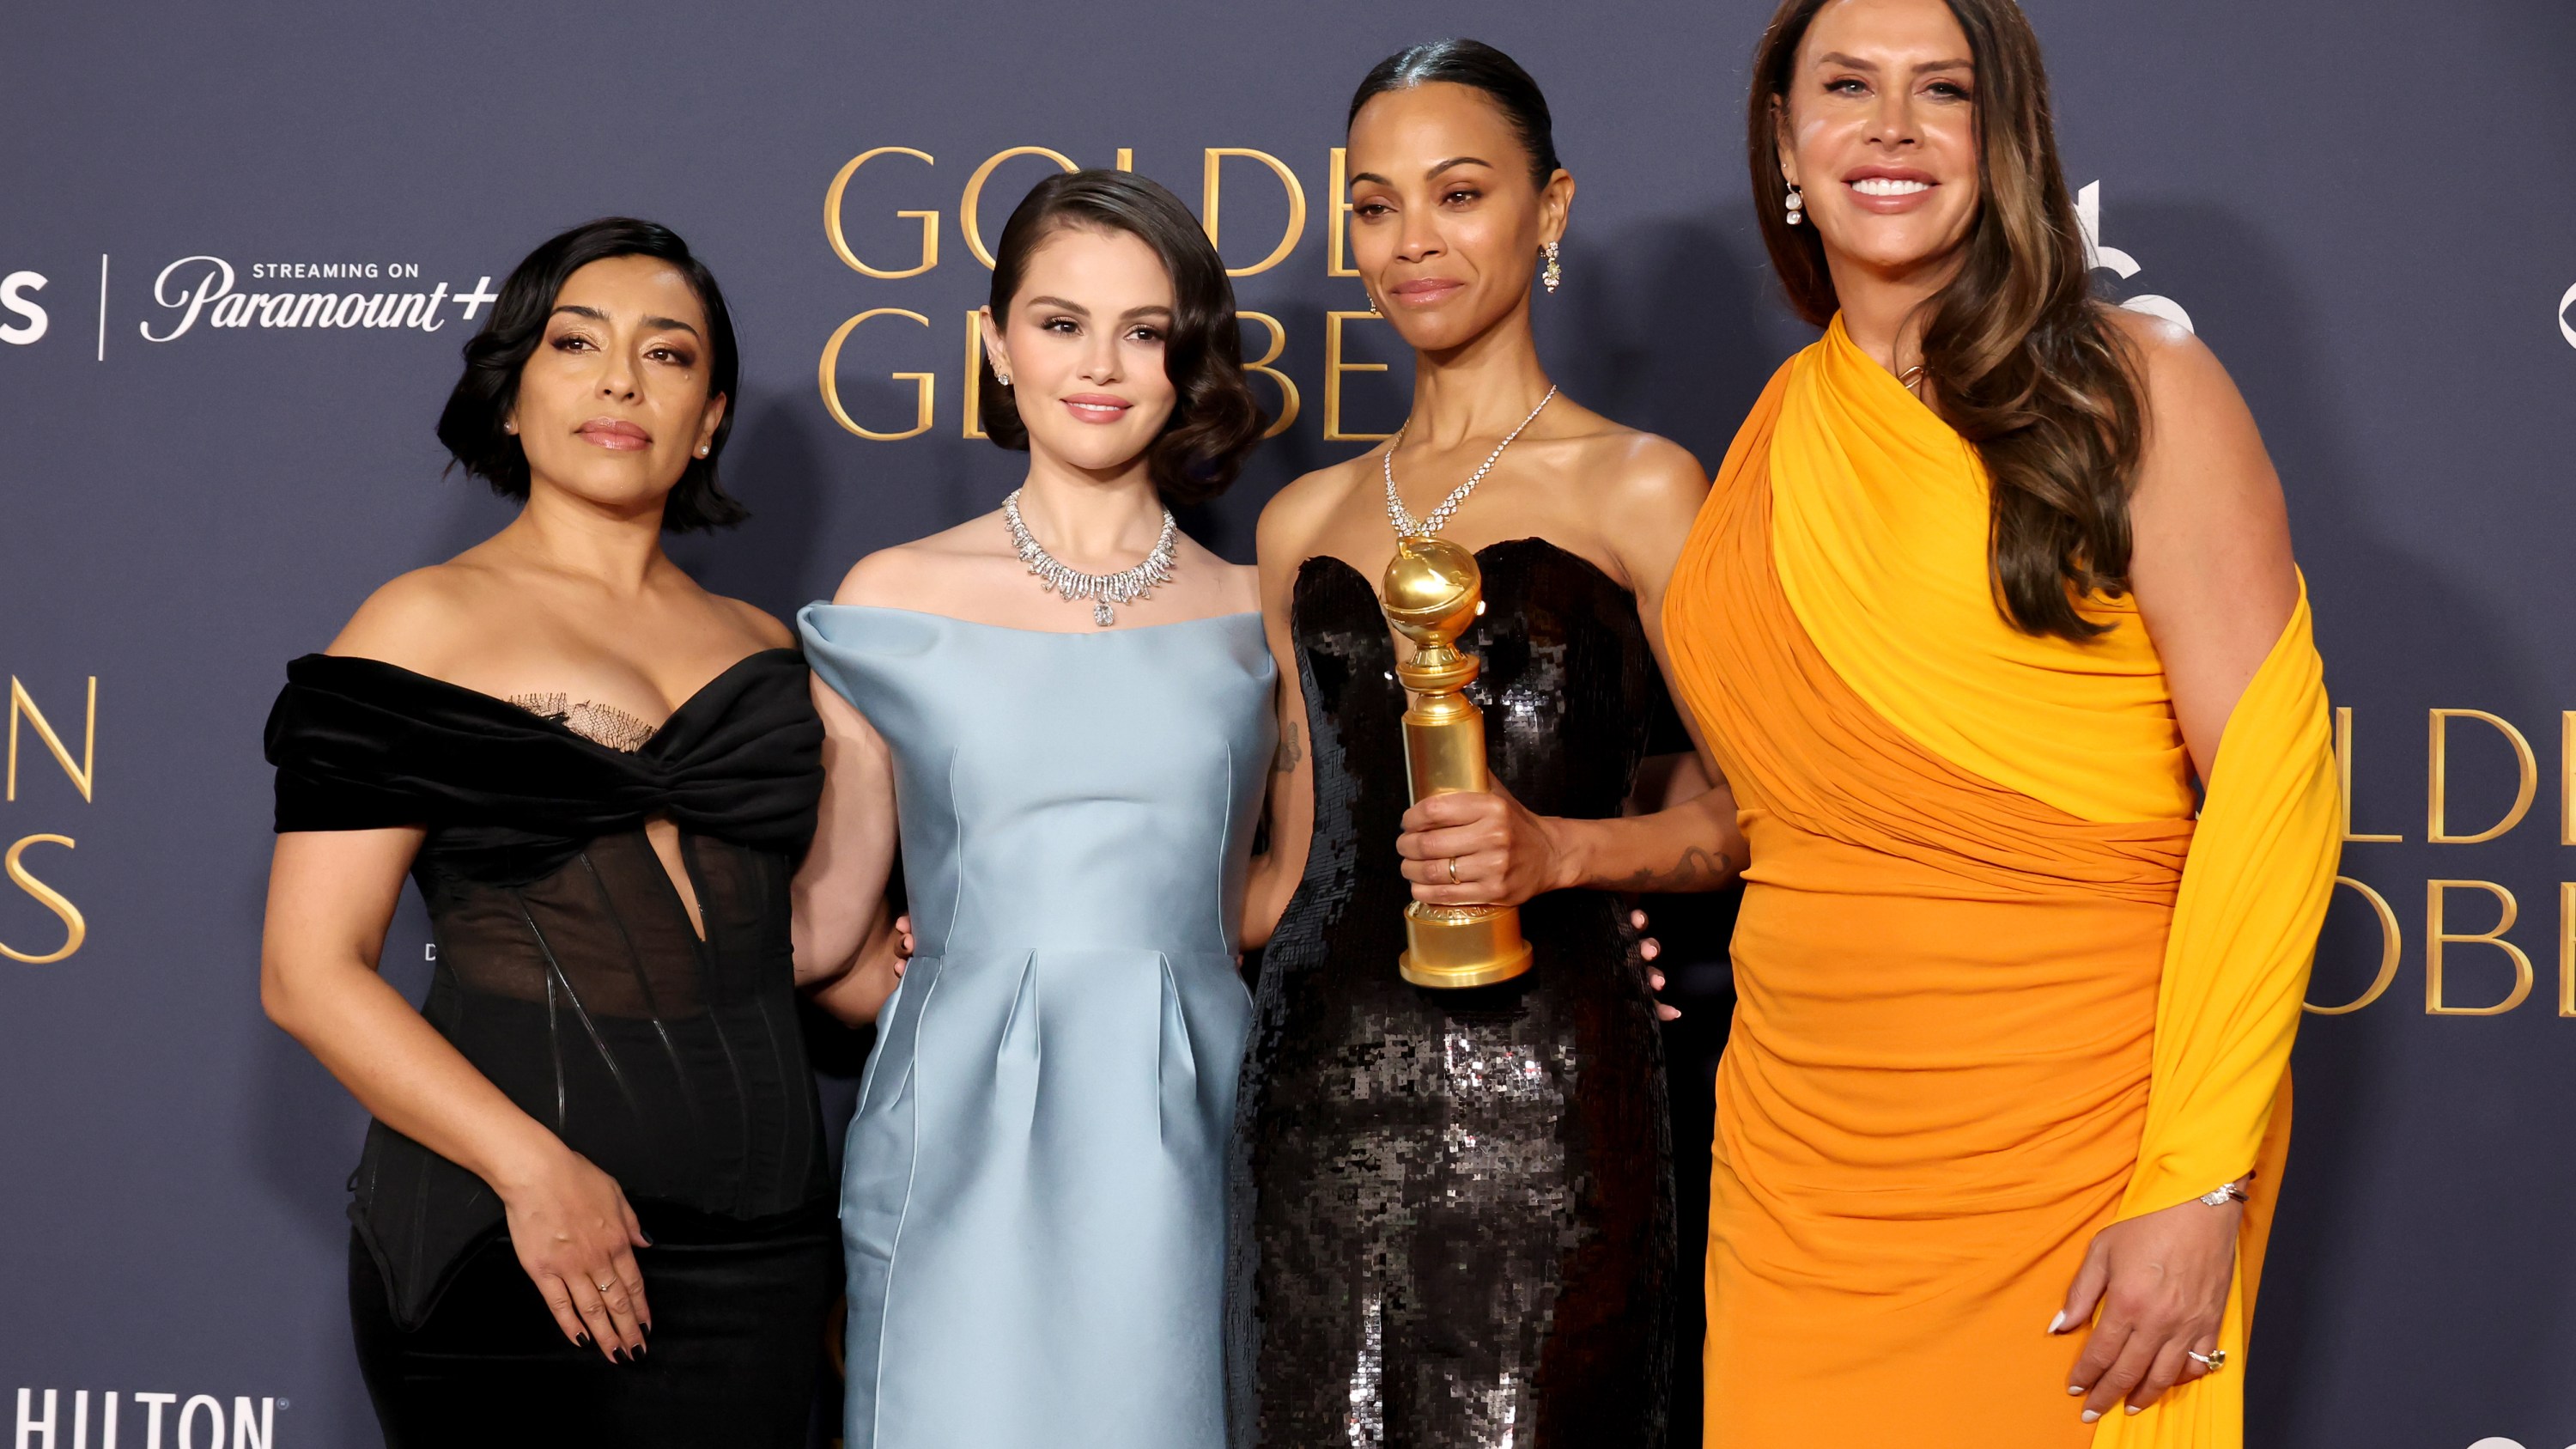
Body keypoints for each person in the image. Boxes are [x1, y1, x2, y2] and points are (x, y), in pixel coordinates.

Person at [1660, 0, 2342, 1442]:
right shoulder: (1775, 434)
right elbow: (1776, 803)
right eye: (1847, 87)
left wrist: (2197, 1177)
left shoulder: (2136, 392)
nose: (1892, 128)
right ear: (1786, 140)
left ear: (2003, 139)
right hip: (1798, 1170)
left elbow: (2275, 797)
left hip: (2077, 1147)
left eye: (1943, 92)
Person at [1234, 40, 1747, 1448]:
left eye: (1459, 195)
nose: (1413, 244)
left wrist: (1568, 850)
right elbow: (1284, 874)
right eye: (1375, 204)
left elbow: (1758, 811)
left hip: (1556, 1097)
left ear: (1552, 207)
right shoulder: (1301, 526)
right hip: (1315, 1088)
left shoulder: (1642, 486)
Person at [259, 219, 836, 1446]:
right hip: (511, 1251)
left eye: (667, 354)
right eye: (577, 343)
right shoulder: (422, 624)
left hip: (770, 1257)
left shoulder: (768, 647)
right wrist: (533, 1172)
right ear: (513, 397)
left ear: (712, 415)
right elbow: (308, 974)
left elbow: (761, 947)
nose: (621, 378)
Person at [792, 170, 1272, 1449]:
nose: (1099, 366)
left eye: (1143, 329)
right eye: (1059, 324)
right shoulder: (893, 596)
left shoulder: (1254, 610)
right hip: (957, 1114)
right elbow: (832, 915)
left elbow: (1292, 885)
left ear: (1188, 357)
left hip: (1197, 1113)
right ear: (998, 344)